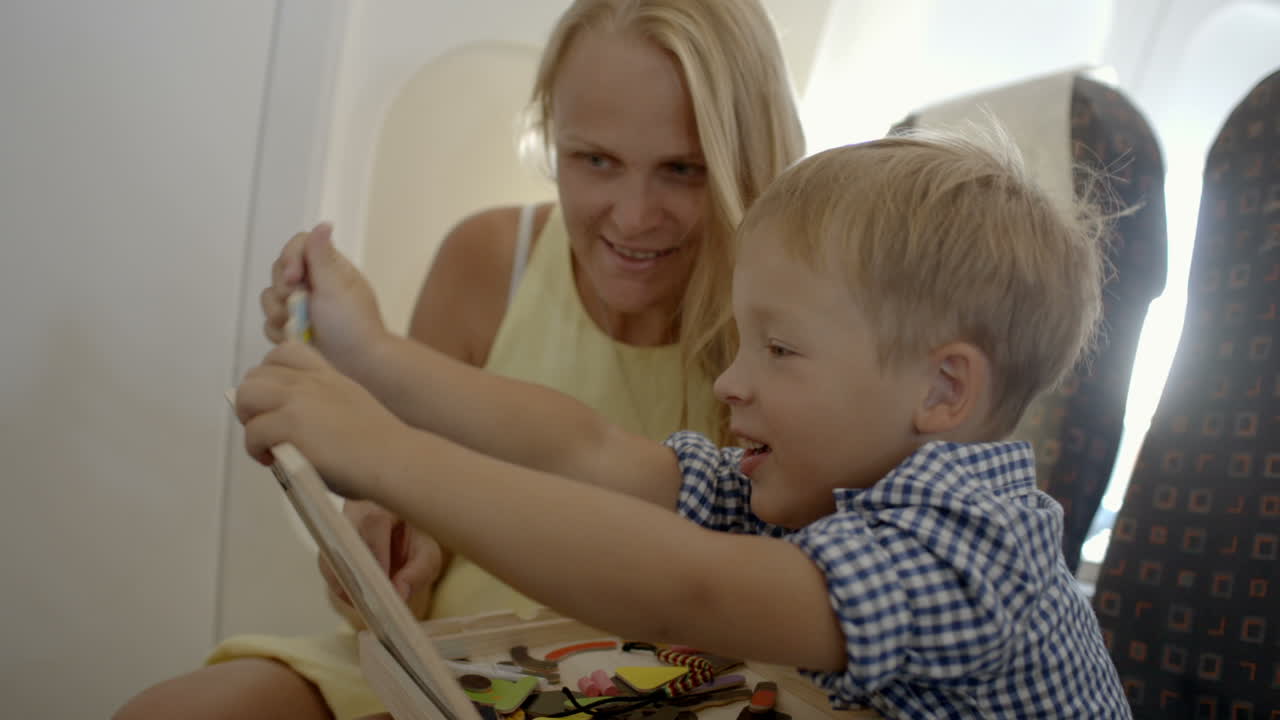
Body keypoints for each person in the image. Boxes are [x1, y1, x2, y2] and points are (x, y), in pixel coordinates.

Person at [234, 131, 1132, 718]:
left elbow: (691, 587)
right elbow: (586, 448)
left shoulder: (969, 538)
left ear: (944, 389)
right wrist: (375, 359)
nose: (733, 382)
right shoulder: (826, 486)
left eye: (779, 350)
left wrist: (386, 453)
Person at [113, 1, 802, 718]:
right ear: (551, 137)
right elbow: (407, 487)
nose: (632, 216)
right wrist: (391, 541)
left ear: (744, 163)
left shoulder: (791, 330)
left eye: (682, 170)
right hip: (440, 661)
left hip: (660, 684)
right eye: (594, 159)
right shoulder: (487, 261)